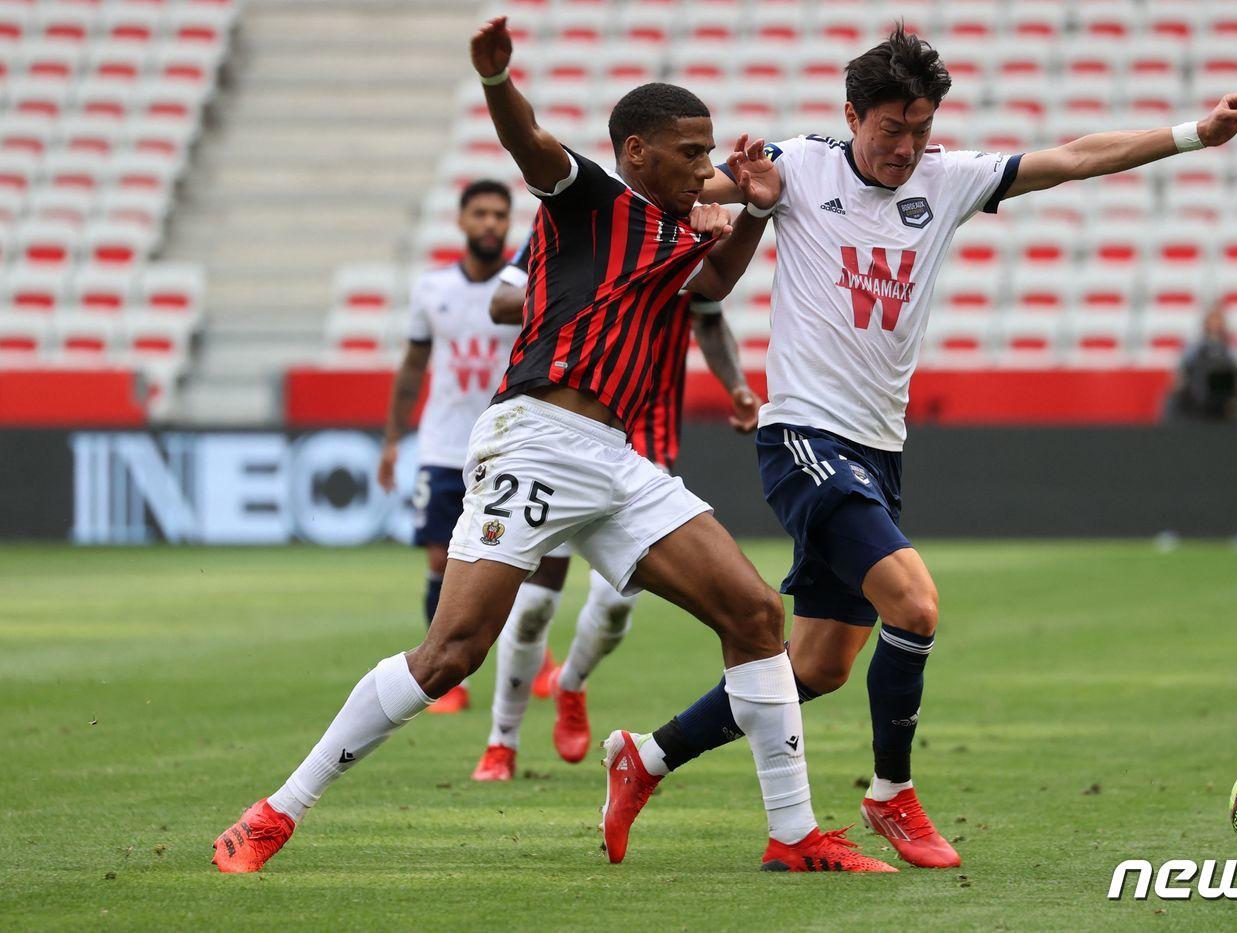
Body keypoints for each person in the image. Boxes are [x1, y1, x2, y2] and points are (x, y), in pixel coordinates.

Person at [212, 16, 894, 874]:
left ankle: (793, 834)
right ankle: (279, 809)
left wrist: (753, 214)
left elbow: (712, 284)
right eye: (690, 152)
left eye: (710, 150)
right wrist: (498, 81)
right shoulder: (591, 200)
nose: (704, 165)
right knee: (453, 652)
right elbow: (531, 143)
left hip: (615, 458)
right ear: (636, 151)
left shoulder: (677, 233)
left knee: (757, 616)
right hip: (535, 439)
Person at [602, 26, 1237, 870]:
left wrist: (1191, 135)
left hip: (879, 448)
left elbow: (1073, 157)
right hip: (805, 435)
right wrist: (713, 201)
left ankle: (646, 757)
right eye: (890, 130)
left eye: (919, 129)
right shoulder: (799, 162)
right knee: (912, 606)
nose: (906, 148)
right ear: (852, 117)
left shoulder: (946, 180)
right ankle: (890, 793)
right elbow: (693, 181)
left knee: (815, 666)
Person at [472, 228, 760, 780]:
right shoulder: (579, 229)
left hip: (640, 446)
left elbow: (709, 314)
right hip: (556, 438)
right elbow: (501, 300)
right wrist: (593, 283)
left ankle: (570, 683)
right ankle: (502, 741)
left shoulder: (681, 236)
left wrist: (737, 386)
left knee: (615, 607)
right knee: (532, 607)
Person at [374, 179, 564, 715]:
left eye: (499, 215)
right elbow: (413, 368)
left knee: (523, 556)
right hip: (442, 445)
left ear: (509, 223)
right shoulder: (432, 289)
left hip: (509, 442)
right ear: (461, 221)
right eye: (479, 214)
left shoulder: (527, 288)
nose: (489, 224)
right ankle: (444, 674)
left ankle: (531, 653)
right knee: (441, 557)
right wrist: (392, 441)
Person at [1163, 305, 1237, 423]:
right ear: (1205, 323)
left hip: (1229, 392)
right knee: (1171, 398)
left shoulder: (1232, 346)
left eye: (1218, 320)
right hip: (1197, 392)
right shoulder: (1194, 347)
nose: (1215, 325)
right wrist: (1179, 381)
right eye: (1212, 320)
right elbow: (1181, 370)